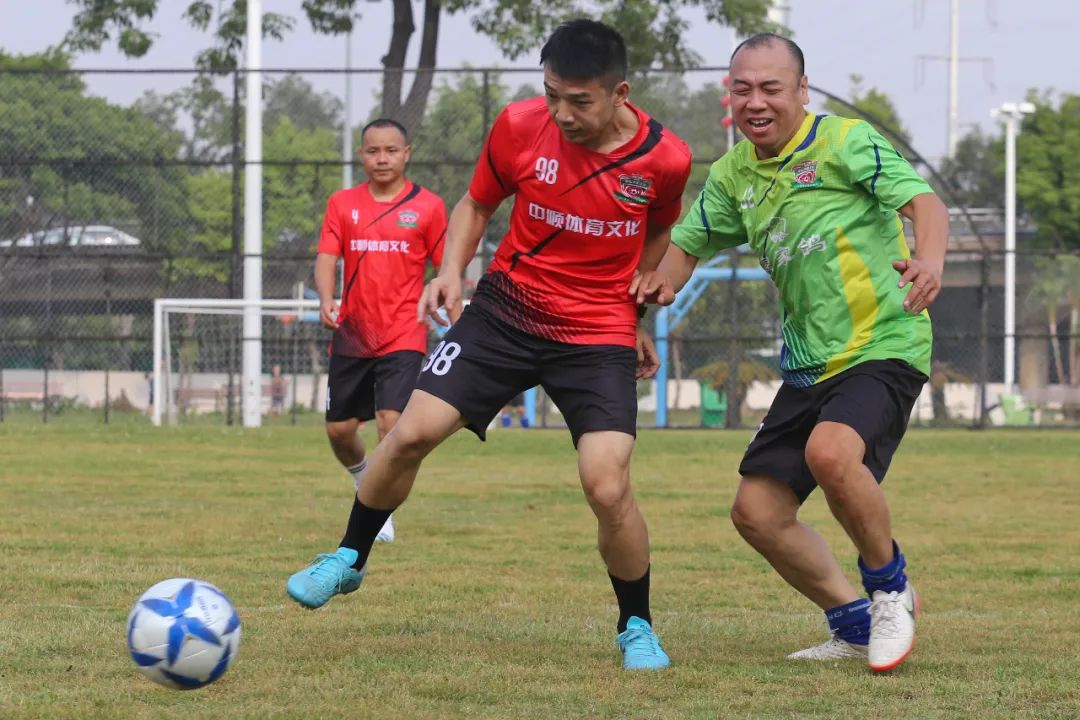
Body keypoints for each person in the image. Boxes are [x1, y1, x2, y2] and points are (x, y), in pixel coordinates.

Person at [286, 19, 692, 671]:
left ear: (620, 93)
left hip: (596, 332)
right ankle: (348, 558)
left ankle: (636, 625)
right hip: (506, 311)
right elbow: (477, 204)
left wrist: (637, 314)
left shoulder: (665, 158)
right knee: (410, 433)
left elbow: (661, 231)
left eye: (579, 101)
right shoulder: (518, 126)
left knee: (607, 485)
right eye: (553, 94)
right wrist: (450, 272)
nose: (562, 113)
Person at [654, 33, 948, 672]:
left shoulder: (846, 141)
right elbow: (686, 246)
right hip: (810, 364)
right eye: (742, 89)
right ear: (728, 97)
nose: (755, 102)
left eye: (770, 88)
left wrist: (929, 259)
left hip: (883, 342)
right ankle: (853, 624)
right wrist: (649, 294)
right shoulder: (733, 174)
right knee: (756, 512)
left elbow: (924, 201)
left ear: (801, 92)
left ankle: (890, 590)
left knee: (830, 452)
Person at [313, 118, 448, 544]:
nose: (383, 158)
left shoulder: (428, 207)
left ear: (407, 154)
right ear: (362, 155)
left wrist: (445, 297)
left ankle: (377, 510)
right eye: (374, 151)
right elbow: (326, 258)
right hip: (352, 334)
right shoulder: (342, 204)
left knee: (393, 423)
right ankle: (364, 480)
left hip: (404, 333)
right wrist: (325, 299)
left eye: (392, 150)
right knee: (339, 430)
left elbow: (447, 266)